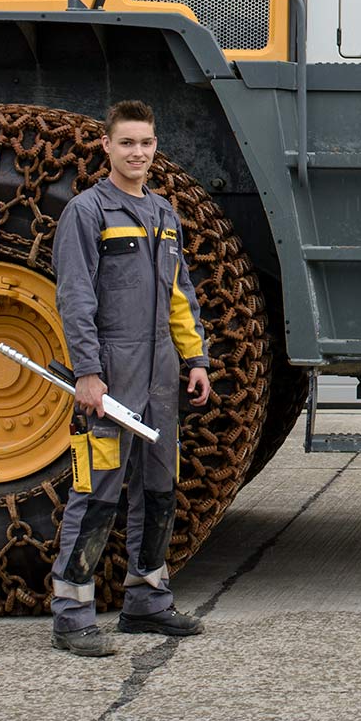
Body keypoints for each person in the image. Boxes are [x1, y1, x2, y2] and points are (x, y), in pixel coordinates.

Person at [46, 100, 214, 656]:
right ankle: (72, 615)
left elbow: (180, 296)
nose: (137, 153)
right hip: (111, 374)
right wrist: (89, 373)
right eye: (127, 143)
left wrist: (196, 361)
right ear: (107, 147)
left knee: (160, 490)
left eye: (145, 143)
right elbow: (75, 298)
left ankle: (146, 600)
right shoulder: (87, 212)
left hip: (163, 374)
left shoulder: (165, 214)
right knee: (96, 493)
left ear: (155, 147)